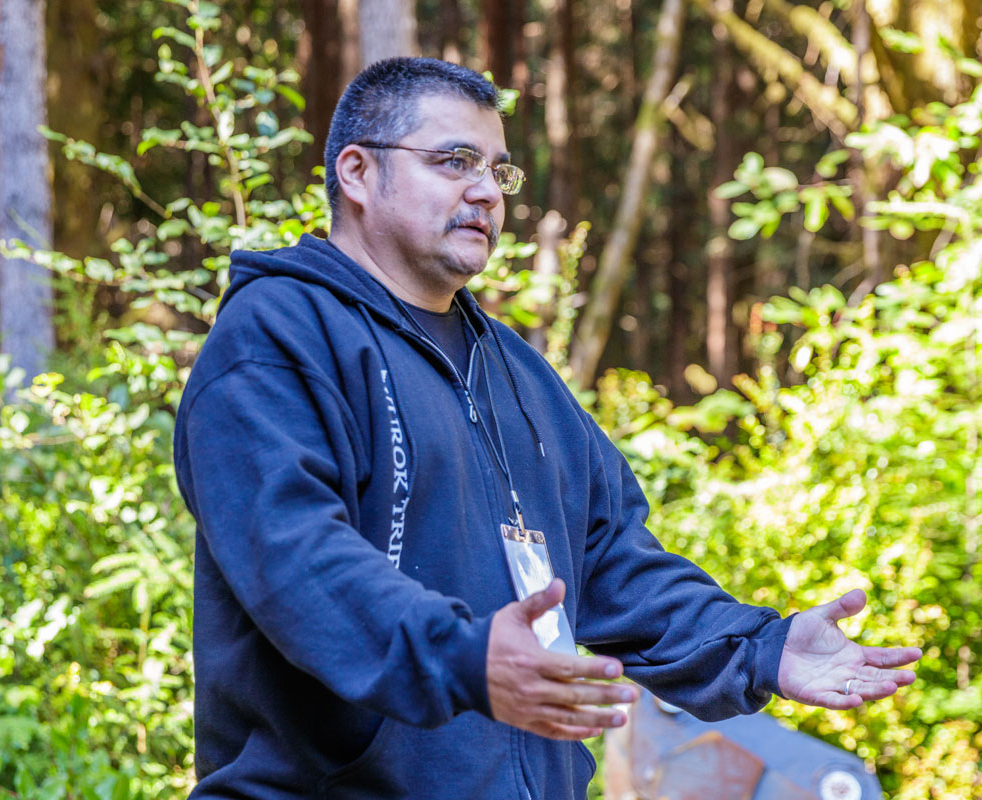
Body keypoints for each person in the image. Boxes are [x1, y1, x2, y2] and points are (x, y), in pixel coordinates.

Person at [172, 57, 920, 800]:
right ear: (359, 173)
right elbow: (297, 562)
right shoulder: (276, 338)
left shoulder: (518, 375)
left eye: (500, 171)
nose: (486, 193)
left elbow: (610, 565)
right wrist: (463, 657)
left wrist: (762, 647)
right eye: (454, 161)